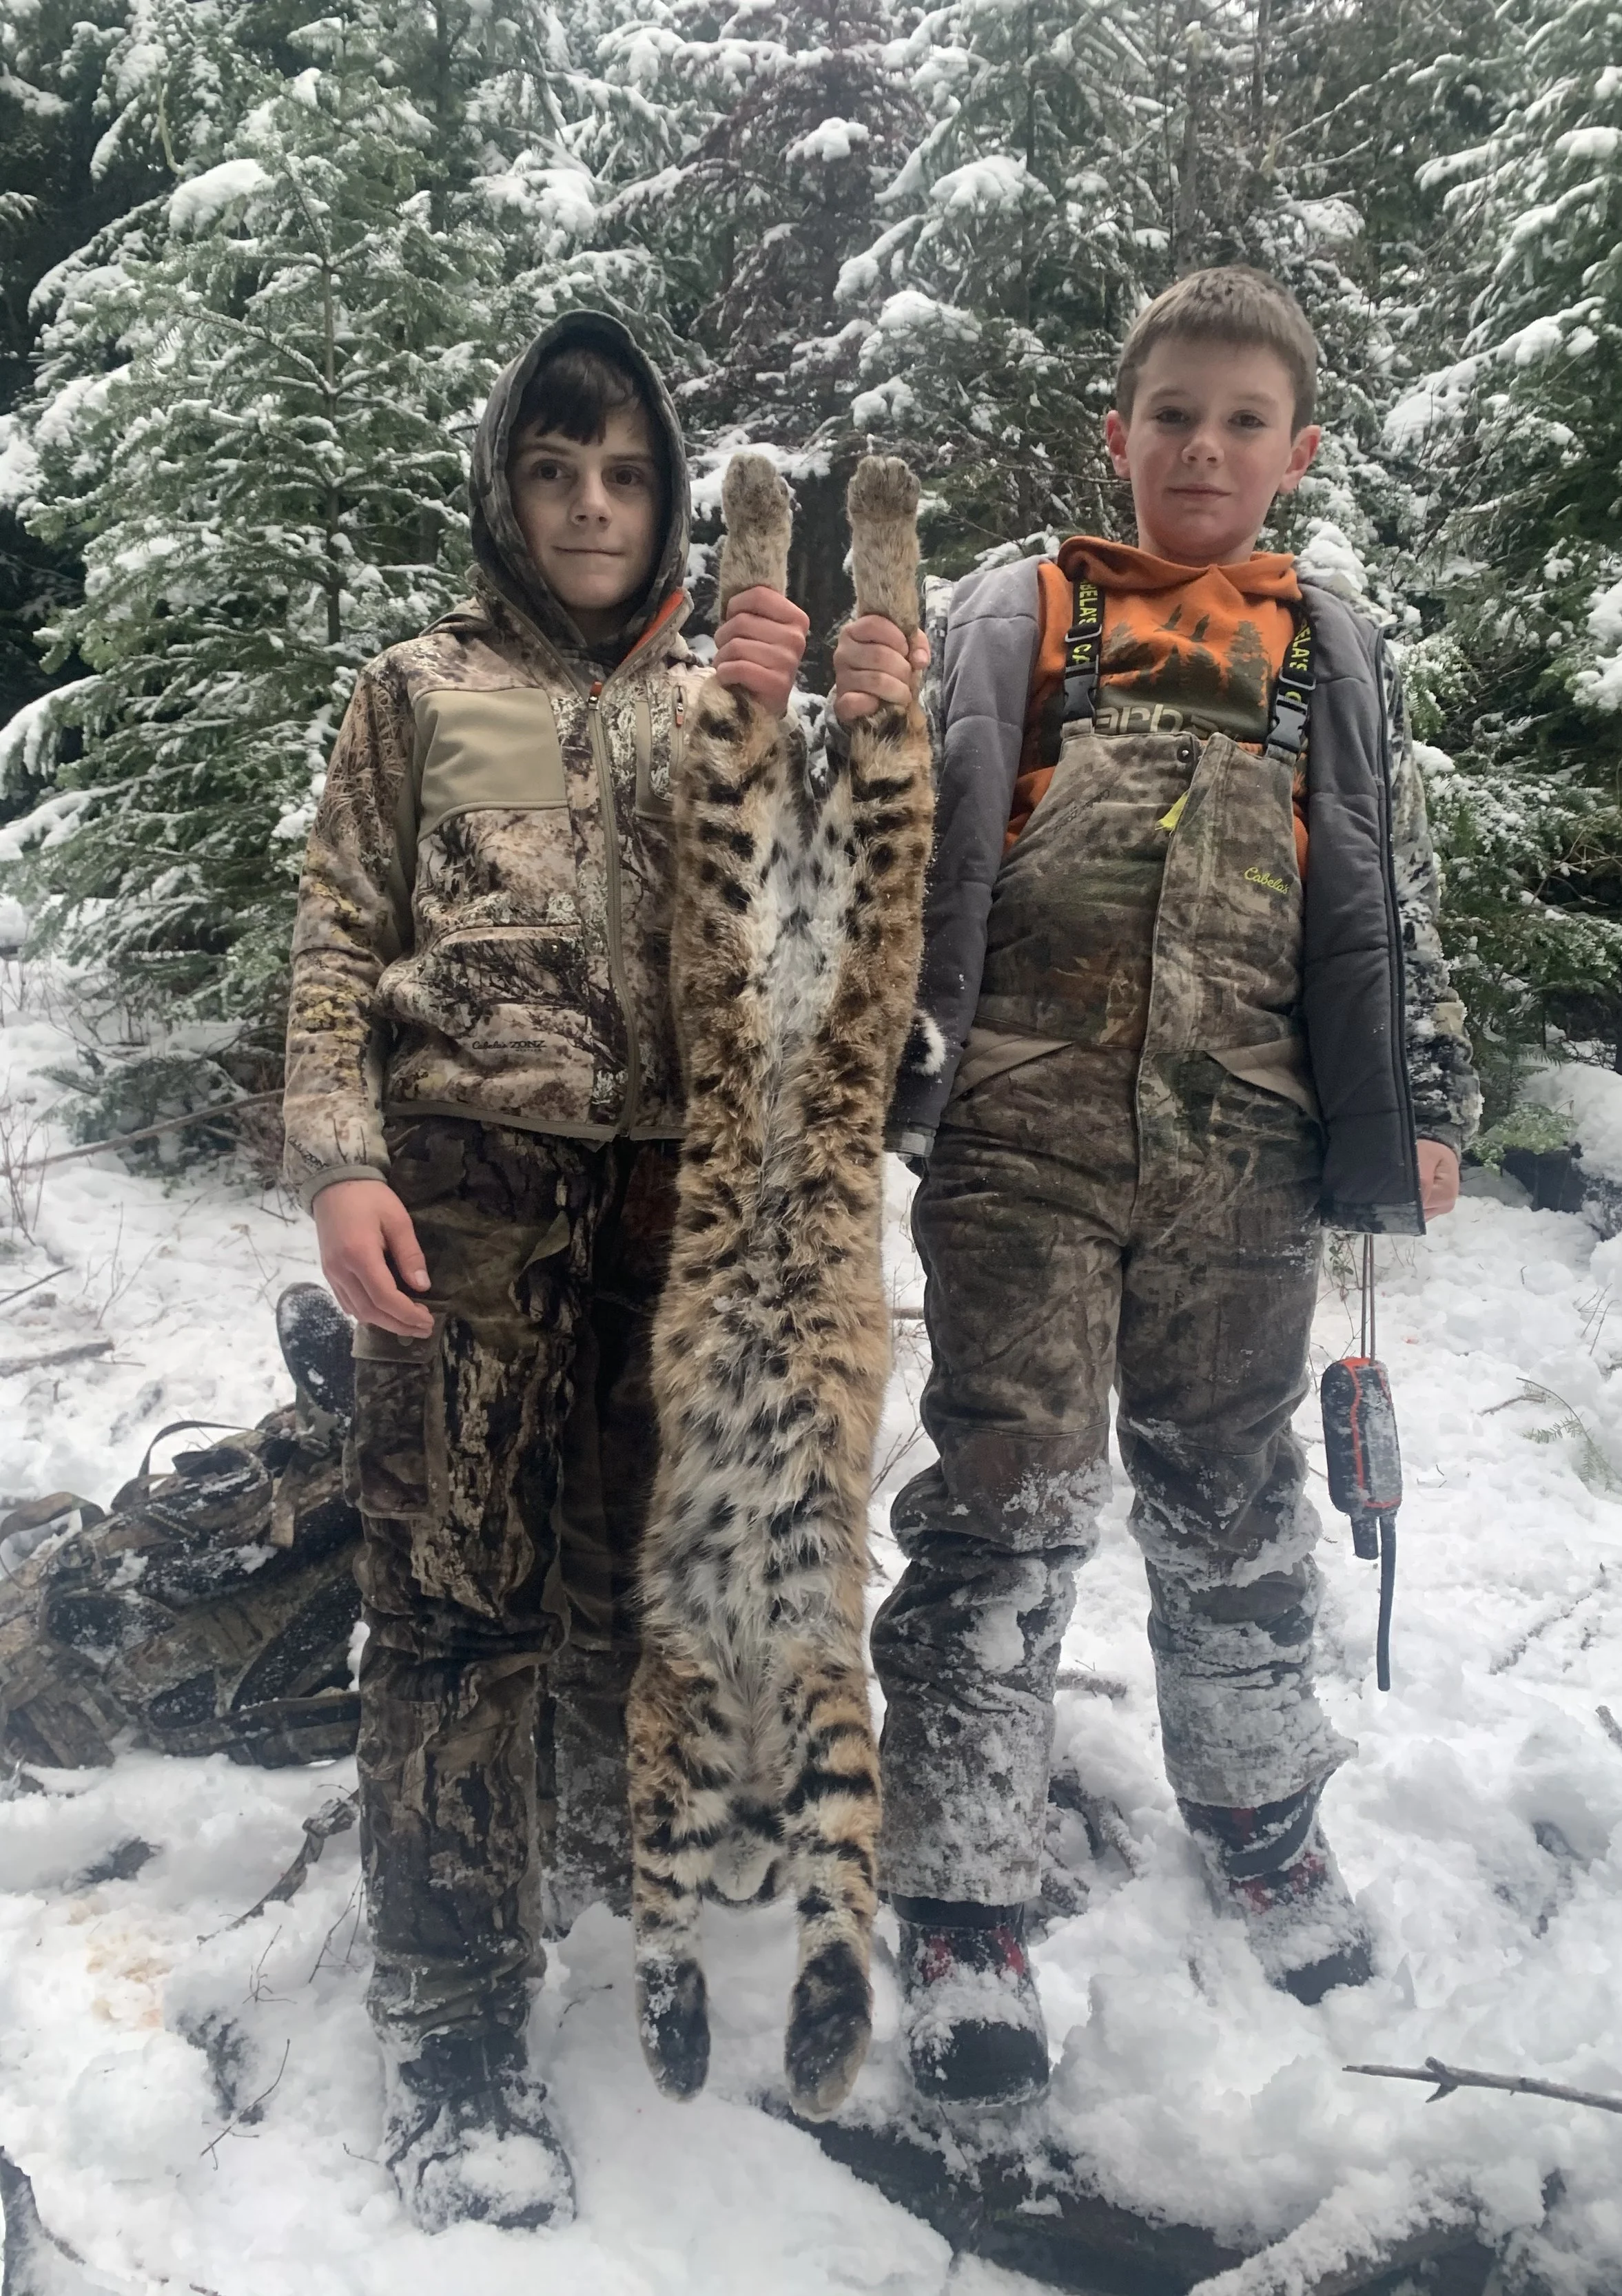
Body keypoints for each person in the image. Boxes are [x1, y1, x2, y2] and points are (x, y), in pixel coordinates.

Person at [830, 266, 1481, 2109]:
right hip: (1017, 1143)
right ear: (1116, 434)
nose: (1204, 446)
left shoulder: (1332, 647)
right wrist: (844, 727)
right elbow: (895, 839)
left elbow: (1385, 888)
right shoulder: (1016, 609)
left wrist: (1426, 1090)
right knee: (1008, 1499)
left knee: (1231, 1492)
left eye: (1242, 420)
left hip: (1248, 1151)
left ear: (1296, 451)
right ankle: (964, 1896)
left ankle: (1263, 1821)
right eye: (1173, 415)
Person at [282, 313, 808, 2231]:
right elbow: (336, 936)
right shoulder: (414, 687)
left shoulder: (722, 687)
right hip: (469, 1188)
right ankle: (449, 2018)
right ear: (504, 489)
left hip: (678, 1199)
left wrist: (781, 727)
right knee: (449, 1595)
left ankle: (615, 1867)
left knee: (650, 1578)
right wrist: (340, 1160)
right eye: (554, 470)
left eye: (627, 475)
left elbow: (807, 930)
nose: (592, 505)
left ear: (668, 500)